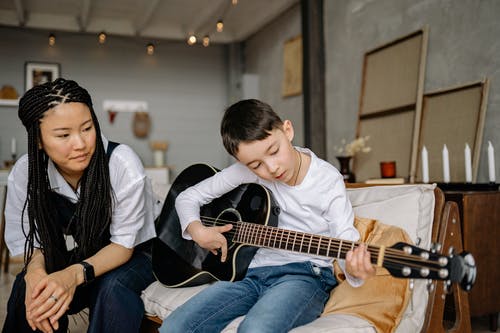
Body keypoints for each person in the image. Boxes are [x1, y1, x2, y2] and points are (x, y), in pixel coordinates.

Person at [160, 99, 375, 333]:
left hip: (303, 276)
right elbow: (187, 197)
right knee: (175, 326)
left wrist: (353, 268)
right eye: (256, 165)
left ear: (288, 130)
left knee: (255, 329)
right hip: (249, 274)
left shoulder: (327, 179)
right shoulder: (245, 172)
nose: (271, 168)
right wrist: (197, 231)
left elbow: (344, 235)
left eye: (274, 151)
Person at [2, 78, 159, 333]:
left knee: (112, 288)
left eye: (87, 128)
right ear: (38, 140)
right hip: (94, 250)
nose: (80, 144)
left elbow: (122, 247)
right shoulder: (27, 171)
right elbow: (29, 244)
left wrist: (73, 275)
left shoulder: (122, 165)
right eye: (64, 135)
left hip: (139, 251)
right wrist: (35, 274)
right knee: (27, 288)